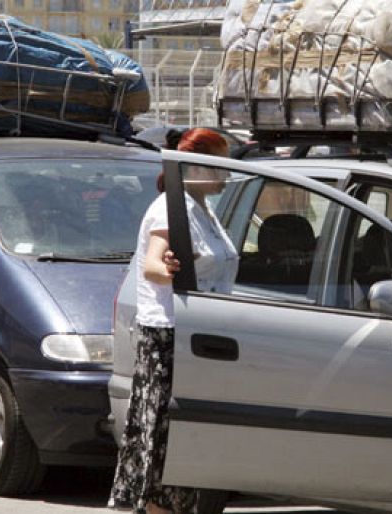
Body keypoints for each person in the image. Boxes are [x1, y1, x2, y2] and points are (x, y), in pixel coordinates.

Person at [109, 128, 238, 514]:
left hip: (199, 331)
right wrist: (167, 270)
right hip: (170, 335)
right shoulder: (169, 207)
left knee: (185, 438)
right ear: (195, 166)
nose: (226, 175)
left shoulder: (201, 208)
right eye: (218, 166)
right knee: (166, 435)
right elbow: (152, 263)